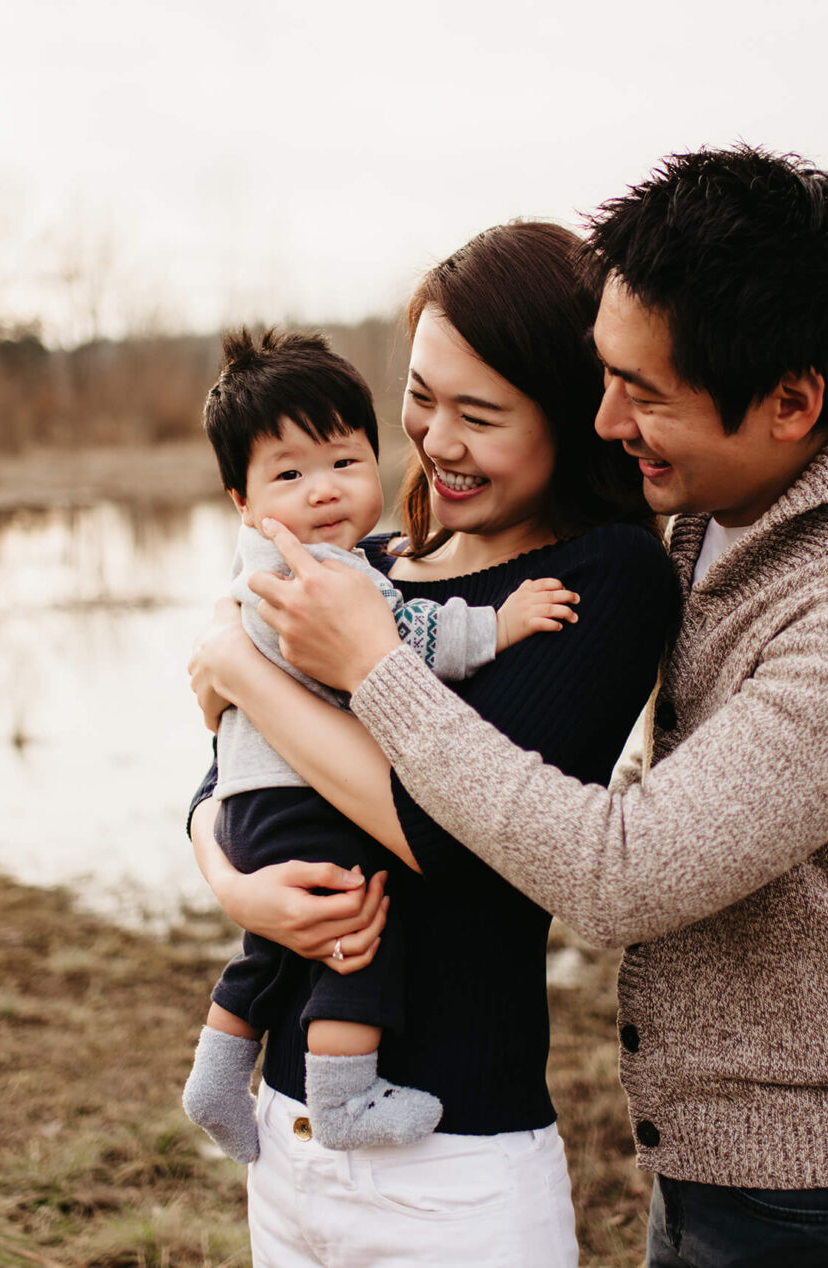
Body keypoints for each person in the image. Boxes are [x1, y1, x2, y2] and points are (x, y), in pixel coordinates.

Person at [202, 147, 828, 1267]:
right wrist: (229, 863)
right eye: (603, 378)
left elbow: (619, 870)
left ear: (791, 402)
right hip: (714, 1159)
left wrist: (347, 666)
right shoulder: (707, 511)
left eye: (639, 392)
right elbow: (246, 759)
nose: (608, 418)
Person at [187, 220, 676, 1265]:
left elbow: (444, 831)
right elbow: (226, 771)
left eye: (480, 413)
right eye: (420, 395)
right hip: (287, 1142)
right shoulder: (368, 559)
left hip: (454, 1170)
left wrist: (237, 669)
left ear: (571, 415)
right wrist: (231, 882)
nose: (436, 439)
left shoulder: (602, 582)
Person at [183, 325, 581, 1162]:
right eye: (290, 475)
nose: (322, 491)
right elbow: (402, 639)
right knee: (365, 923)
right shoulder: (320, 576)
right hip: (296, 803)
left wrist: (226, 862)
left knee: (273, 943)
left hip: (258, 807)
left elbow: (226, 727)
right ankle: (344, 1094)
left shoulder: (303, 565)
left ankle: (218, 1075)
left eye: (342, 462)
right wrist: (498, 626)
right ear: (243, 501)